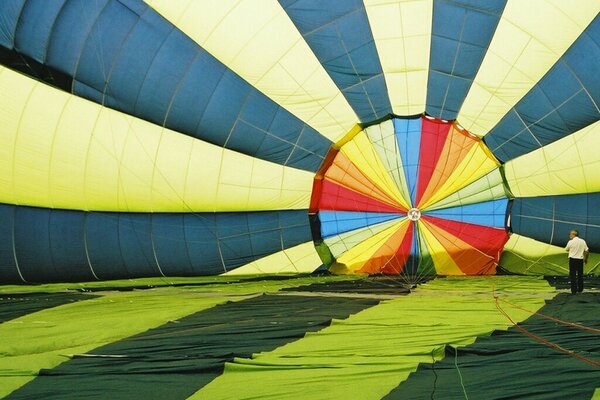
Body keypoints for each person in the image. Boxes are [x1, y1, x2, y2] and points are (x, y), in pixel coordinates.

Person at [565, 229, 589, 294]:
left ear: (573, 234)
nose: (569, 235)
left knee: (573, 275)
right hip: (580, 260)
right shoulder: (583, 241)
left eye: (570, 234)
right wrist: (586, 259)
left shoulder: (570, 242)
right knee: (580, 275)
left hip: (572, 260)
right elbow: (587, 251)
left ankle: (574, 290)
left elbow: (566, 249)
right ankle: (580, 289)